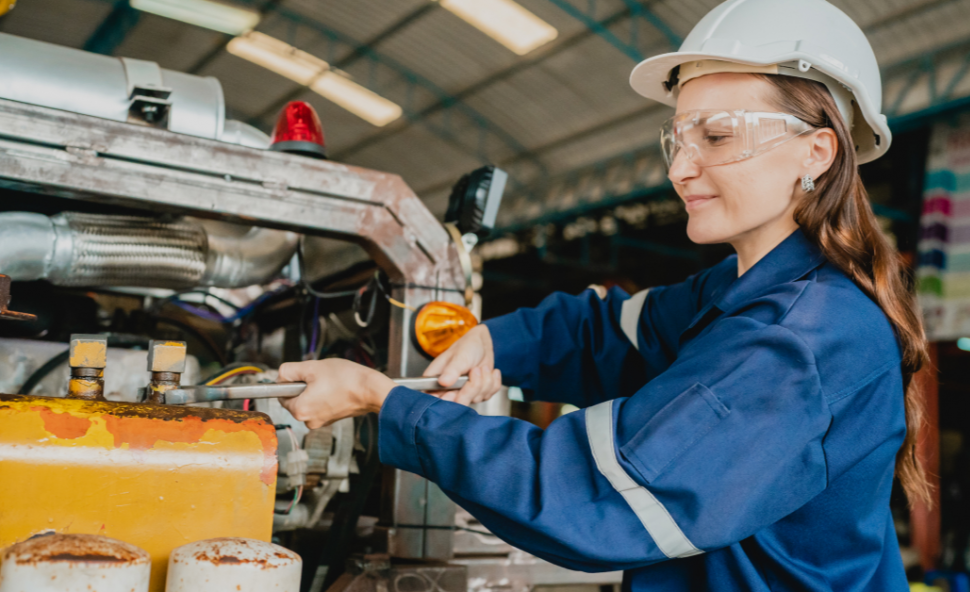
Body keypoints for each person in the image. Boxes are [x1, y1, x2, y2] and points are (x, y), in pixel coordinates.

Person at [277, 0, 931, 589]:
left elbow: (599, 497)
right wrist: (493, 340)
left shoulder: (804, 337)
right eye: (678, 136)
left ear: (815, 152)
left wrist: (382, 401)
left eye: (717, 135)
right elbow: (604, 332)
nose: (678, 168)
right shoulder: (739, 294)